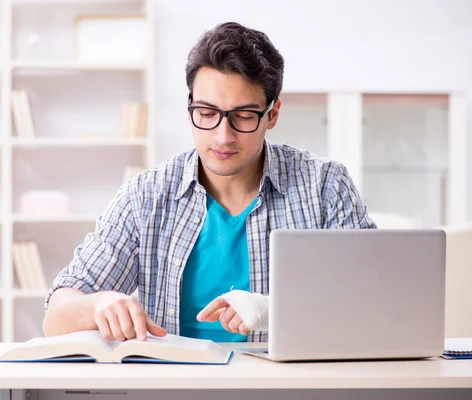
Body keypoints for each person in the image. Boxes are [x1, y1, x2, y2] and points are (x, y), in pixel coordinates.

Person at [43, 21, 376, 343]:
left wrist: (278, 310)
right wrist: (97, 304)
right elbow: (56, 316)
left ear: (272, 114)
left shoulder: (324, 187)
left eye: (244, 116)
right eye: (206, 113)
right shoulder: (145, 197)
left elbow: (376, 297)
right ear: (190, 106)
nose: (223, 136)